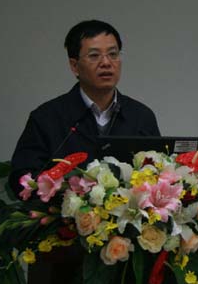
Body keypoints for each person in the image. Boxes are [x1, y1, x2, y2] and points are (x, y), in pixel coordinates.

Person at [9, 19, 160, 197]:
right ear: (74, 66)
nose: (106, 63)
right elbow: (22, 180)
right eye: (94, 56)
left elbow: (158, 172)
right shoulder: (46, 118)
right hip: (65, 212)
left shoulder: (141, 116)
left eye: (113, 54)